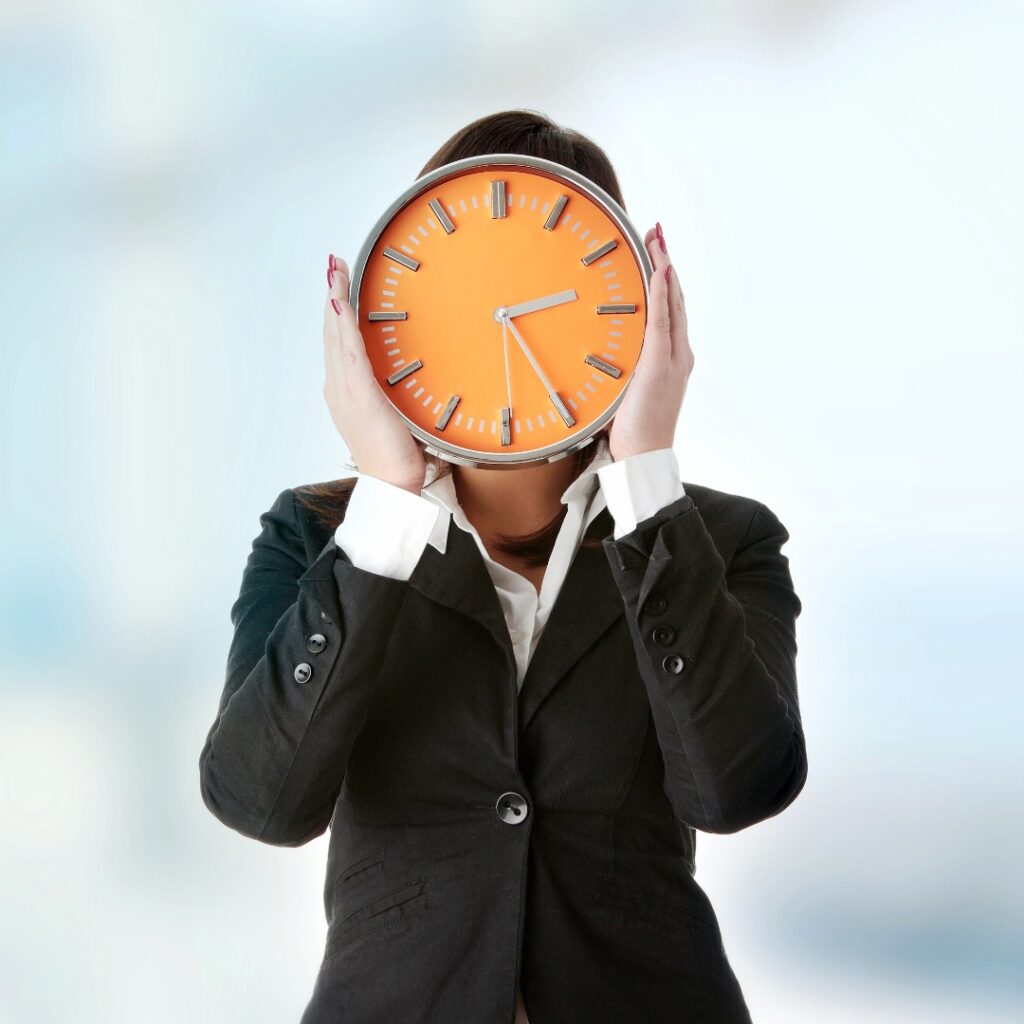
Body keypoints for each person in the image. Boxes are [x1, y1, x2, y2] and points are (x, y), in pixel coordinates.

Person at [198, 109, 807, 1024]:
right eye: (467, 288)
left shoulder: (718, 541)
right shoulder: (321, 538)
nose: (500, 315)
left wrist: (645, 471)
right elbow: (262, 801)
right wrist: (389, 502)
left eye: (546, 281)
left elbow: (736, 789)